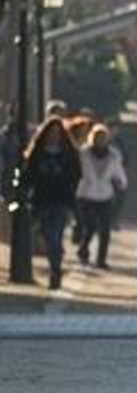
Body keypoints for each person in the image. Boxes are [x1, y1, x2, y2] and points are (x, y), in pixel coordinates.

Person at [20, 115, 81, 290]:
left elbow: (76, 173)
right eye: (51, 132)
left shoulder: (68, 153)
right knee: (47, 236)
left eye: (57, 132)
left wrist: (68, 185)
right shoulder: (38, 152)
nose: (54, 136)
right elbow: (29, 174)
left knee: (56, 234)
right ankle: (55, 260)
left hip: (61, 200)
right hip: (42, 199)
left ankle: (56, 269)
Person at [75, 124, 127, 269]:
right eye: (98, 137)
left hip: (105, 195)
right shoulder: (84, 153)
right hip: (86, 195)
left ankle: (101, 259)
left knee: (105, 230)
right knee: (89, 226)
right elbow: (77, 171)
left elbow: (119, 172)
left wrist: (122, 184)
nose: (101, 140)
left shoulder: (114, 155)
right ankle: (83, 250)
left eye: (104, 138)